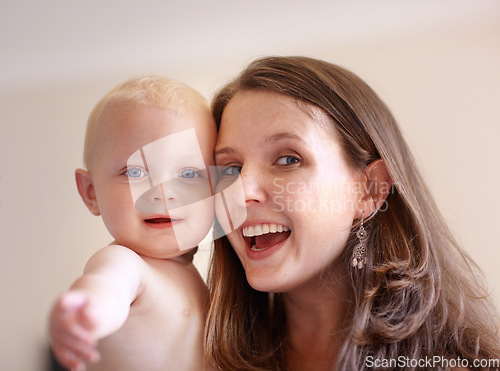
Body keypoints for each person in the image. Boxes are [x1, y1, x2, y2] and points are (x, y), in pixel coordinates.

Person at [205, 56, 500, 370]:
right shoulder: (195, 356)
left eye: (288, 159)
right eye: (231, 169)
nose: (241, 191)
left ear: (370, 189)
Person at [49, 76, 216, 371]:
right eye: (135, 171)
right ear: (91, 193)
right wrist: (85, 313)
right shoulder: (126, 263)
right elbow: (108, 287)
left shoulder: (191, 276)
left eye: (189, 174)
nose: (163, 192)